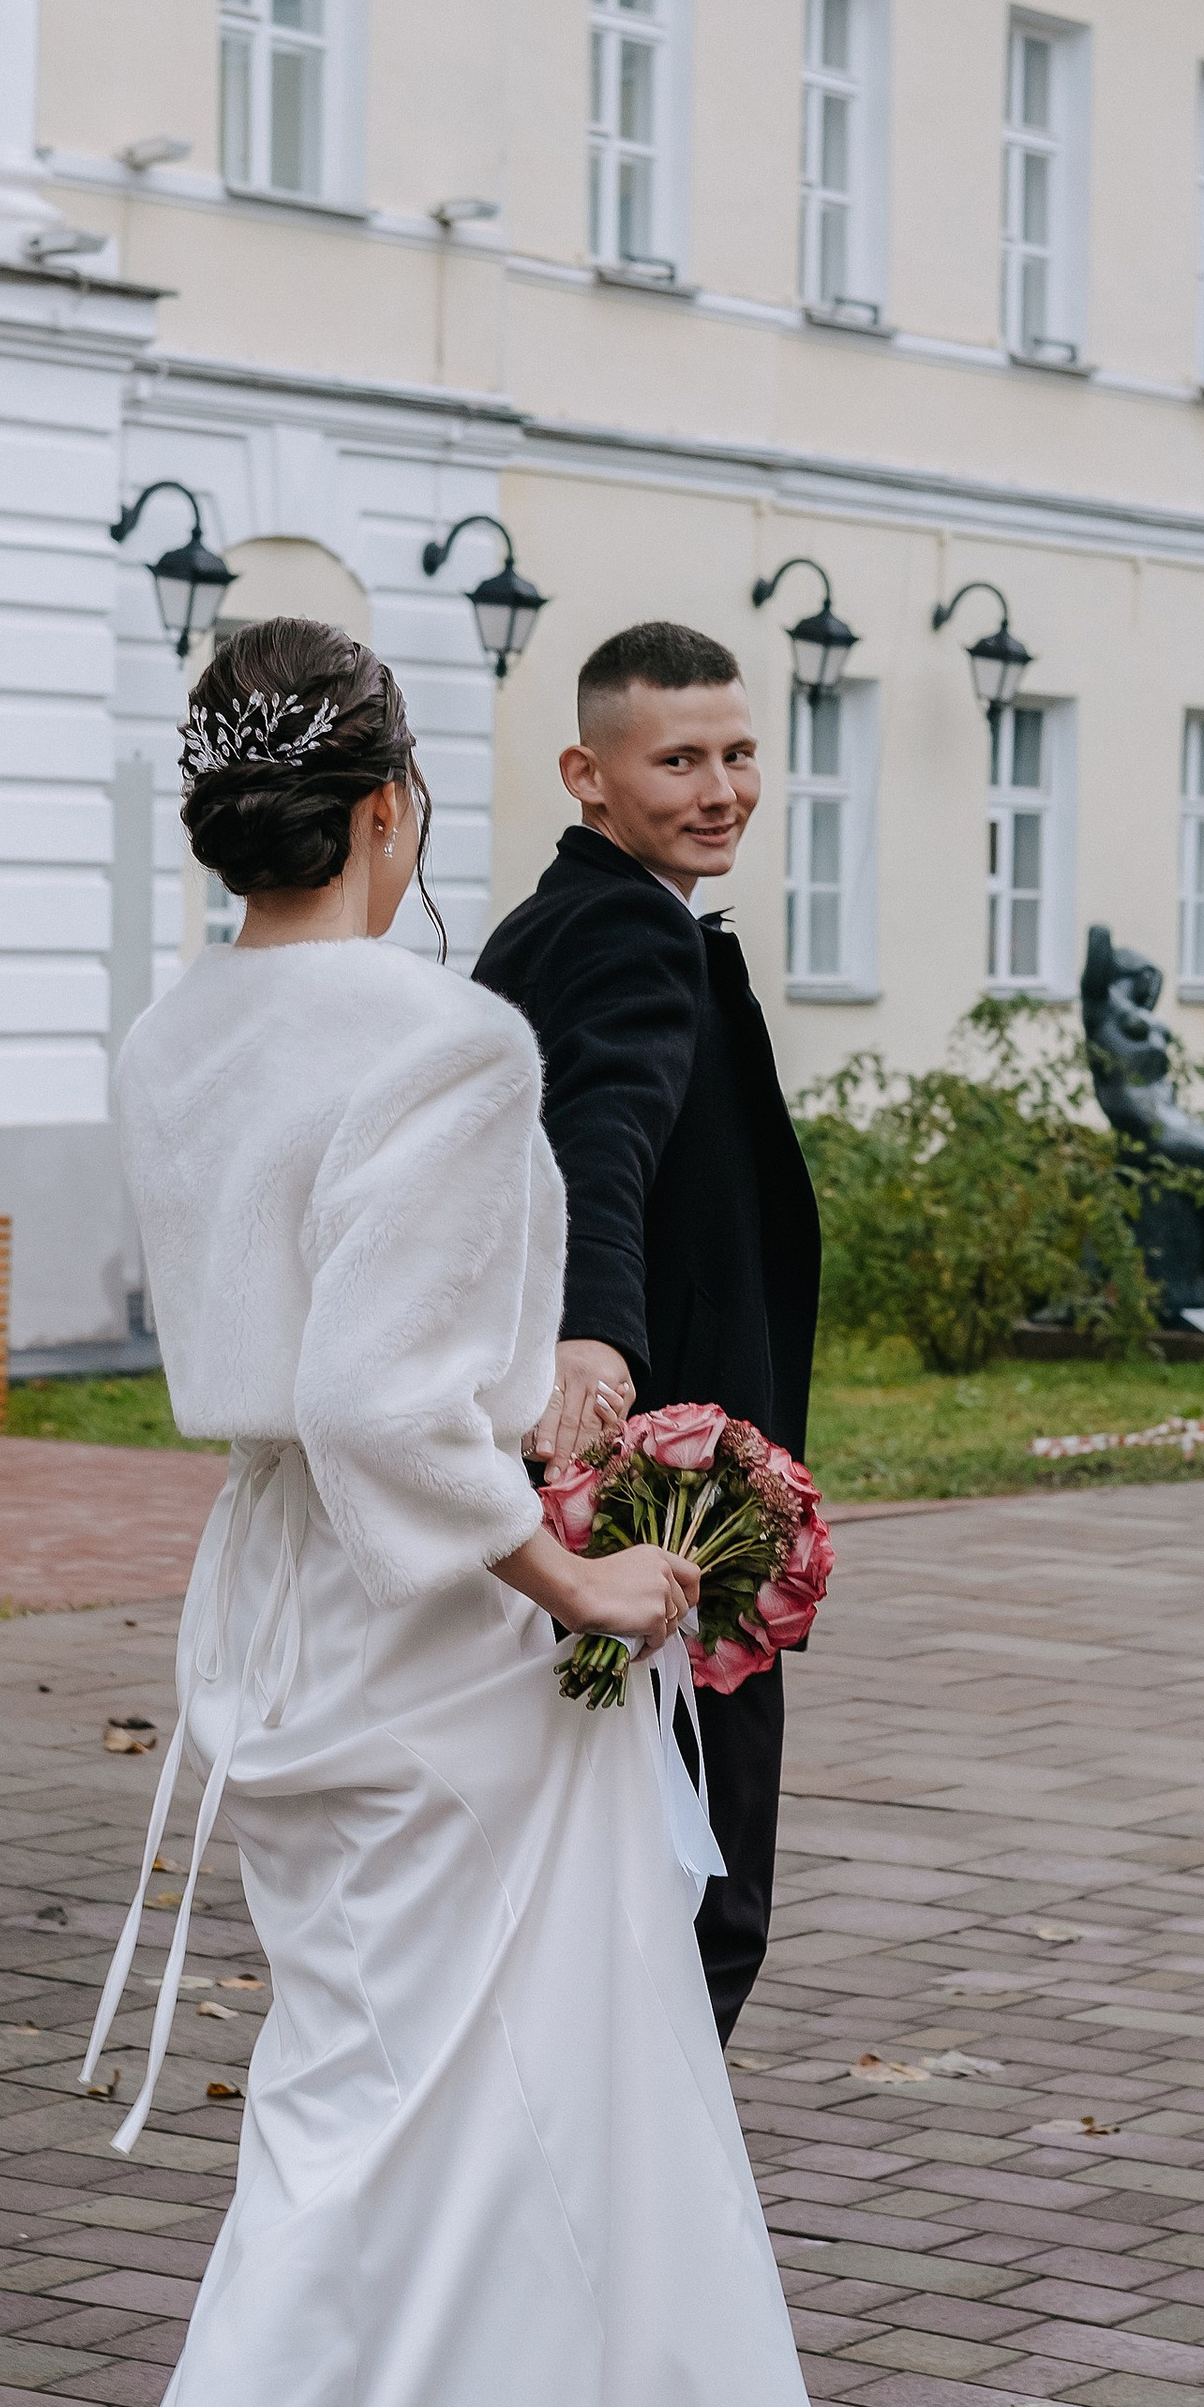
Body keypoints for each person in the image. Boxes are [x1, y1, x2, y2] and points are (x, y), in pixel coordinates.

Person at [0, 618, 877, 2407]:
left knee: (438, 2175)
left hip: (277, 1630)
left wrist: (537, 1408)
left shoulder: (174, 1035)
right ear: (389, 814)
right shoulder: (450, 1041)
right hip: (441, 1655)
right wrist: (581, 1589)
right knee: (397, 2191)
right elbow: (391, 1400)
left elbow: (313, 1379)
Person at [474, 621, 819, 2043]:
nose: (721, 787)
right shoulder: (623, 929)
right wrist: (595, 1339)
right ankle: (643, 2220)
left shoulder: (553, 921)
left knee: (607, 1871)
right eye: (678, 759)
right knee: (702, 1896)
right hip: (662, 1501)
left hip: (608, 1492)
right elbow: (596, 1135)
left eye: (739, 752)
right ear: (587, 773)